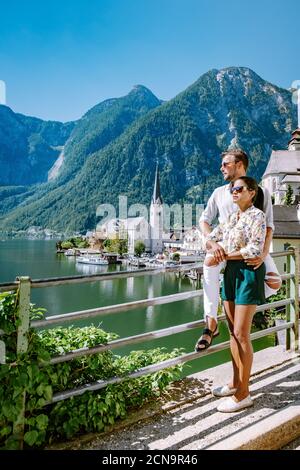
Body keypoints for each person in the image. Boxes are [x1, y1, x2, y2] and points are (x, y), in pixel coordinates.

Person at [195, 149, 281, 352]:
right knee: (209, 265)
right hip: (225, 245)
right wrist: (211, 243)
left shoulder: (260, 191)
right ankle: (211, 323)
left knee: (275, 284)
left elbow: (269, 226)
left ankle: (246, 302)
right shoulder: (218, 193)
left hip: (253, 245)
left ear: (240, 164)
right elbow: (204, 220)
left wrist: (262, 253)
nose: (221, 168)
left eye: (226, 164)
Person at [205, 176, 266, 412]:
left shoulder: (257, 216)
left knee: (241, 333)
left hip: (248, 272)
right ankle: (235, 383)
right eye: (232, 189)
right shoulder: (232, 217)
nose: (233, 192)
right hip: (230, 273)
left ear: (252, 192)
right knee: (232, 332)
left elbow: (254, 249)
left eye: (238, 189)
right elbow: (211, 237)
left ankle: (243, 394)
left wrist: (223, 255)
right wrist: (215, 247)